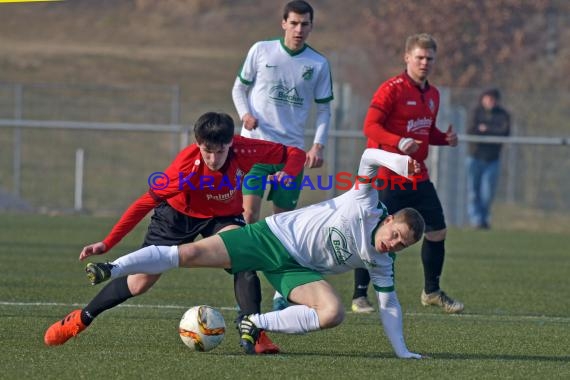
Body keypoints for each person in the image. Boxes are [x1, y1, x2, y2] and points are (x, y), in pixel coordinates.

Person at [85, 148, 427, 358]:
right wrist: (400, 162)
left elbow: (389, 304)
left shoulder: (383, 261)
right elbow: (369, 156)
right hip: (271, 238)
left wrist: (403, 351)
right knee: (188, 254)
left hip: (294, 270)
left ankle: (253, 322)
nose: (394, 243)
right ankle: (112, 268)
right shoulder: (365, 204)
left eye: (403, 245)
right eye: (396, 234)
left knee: (333, 312)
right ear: (391, 219)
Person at [43, 111, 306, 354]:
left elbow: (295, 154)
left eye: (220, 151)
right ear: (198, 144)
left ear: (231, 143)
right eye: (207, 151)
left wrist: (288, 172)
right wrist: (108, 242)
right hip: (177, 217)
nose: (213, 159)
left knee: (244, 257)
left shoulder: (246, 148)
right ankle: (80, 318)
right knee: (139, 282)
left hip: (222, 216)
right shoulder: (186, 166)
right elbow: (144, 203)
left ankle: (255, 332)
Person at [231, 0, 333, 311]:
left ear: (311, 26)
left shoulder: (318, 63)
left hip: (291, 156)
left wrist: (317, 145)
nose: (299, 29)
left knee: (283, 223)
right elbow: (239, 87)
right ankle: (247, 287)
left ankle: (281, 291)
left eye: (305, 24)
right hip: (256, 148)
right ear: (283, 23)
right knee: (248, 217)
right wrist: (245, 114)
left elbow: (325, 108)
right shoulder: (261, 50)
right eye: (294, 23)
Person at [352, 33, 464, 314]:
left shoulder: (433, 94)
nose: (425, 63)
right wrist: (399, 143)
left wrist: (443, 139)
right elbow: (370, 127)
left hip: (418, 175)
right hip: (390, 174)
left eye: (429, 58)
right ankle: (359, 295)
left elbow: (423, 132)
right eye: (420, 57)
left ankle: (432, 291)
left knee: (438, 230)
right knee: (376, 231)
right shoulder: (391, 89)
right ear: (407, 58)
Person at [466, 88, 510, 229]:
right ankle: (476, 220)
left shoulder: (503, 114)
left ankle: (484, 219)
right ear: (483, 99)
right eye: (488, 98)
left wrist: (486, 129)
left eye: (493, 98)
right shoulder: (475, 112)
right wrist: (483, 130)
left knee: (487, 193)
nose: (491, 101)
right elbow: (471, 130)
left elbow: (504, 132)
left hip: (492, 159)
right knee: (473, 192)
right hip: (475, 157)